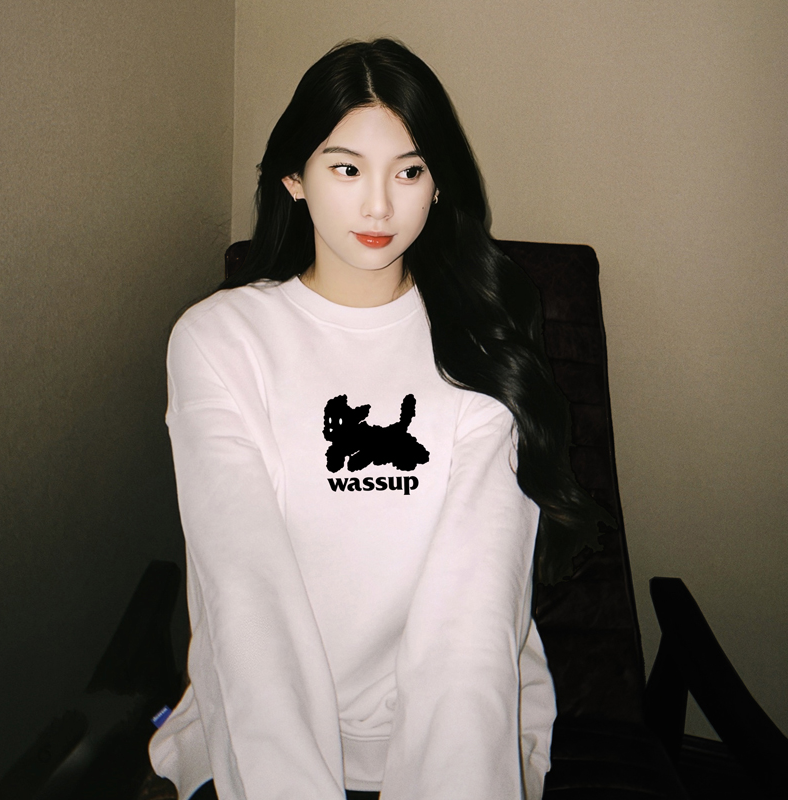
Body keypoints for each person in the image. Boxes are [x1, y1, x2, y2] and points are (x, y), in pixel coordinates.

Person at [150, 38, 605, 800]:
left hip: (465, 736)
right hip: (257, 735)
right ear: (294, 177)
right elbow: (245, 595)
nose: (379, 207)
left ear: (439, 183)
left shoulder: (485, 343)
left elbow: (471, 617)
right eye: (346, 168)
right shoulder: (219, 341)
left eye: (410, 171)